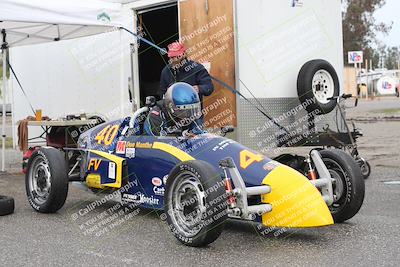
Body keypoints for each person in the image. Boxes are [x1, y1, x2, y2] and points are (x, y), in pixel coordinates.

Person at [159, 42, 214, 110]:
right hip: (173, 113)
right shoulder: (166, 71)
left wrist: (199, 88)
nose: (173, 59)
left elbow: (209, 87)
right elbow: (162, 92)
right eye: (171, 57)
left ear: (184, 54)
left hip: (193, 112)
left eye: (176, 56)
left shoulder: (197, 68)